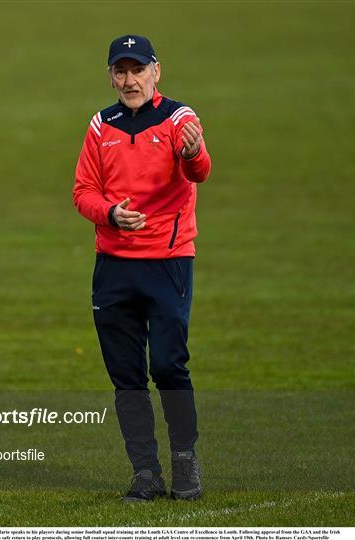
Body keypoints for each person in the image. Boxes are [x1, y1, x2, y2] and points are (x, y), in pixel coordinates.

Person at [73, 35, 211, 502]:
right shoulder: (100, 126)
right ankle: (145, 473)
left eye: (137, 70)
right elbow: (83, 192)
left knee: (169, 365)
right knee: (126, 374)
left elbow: (200, 172)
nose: (129, 80)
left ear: (156, 71)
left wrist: (192, 152)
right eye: (120, 71)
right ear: (111, 76)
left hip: (167, 262)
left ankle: (185, 464)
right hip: (113, 266)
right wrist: (110, 213)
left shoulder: (179, 119)